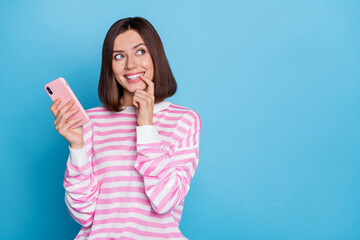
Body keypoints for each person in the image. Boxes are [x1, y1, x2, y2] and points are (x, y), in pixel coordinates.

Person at [49, 17, 201, 240]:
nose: (130, 65)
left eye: (140, 52)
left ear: (155, 56)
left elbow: (165, 201)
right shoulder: (91, 121)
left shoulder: (184, 120)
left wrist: (146, 125)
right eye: (119, 56)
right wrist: (77, 146)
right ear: (110, 65)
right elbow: (84, 214)